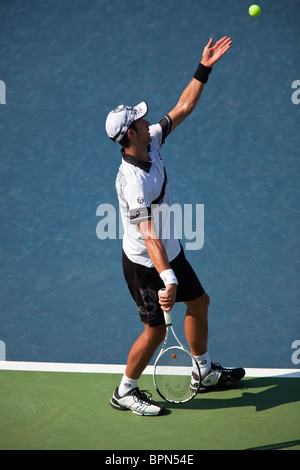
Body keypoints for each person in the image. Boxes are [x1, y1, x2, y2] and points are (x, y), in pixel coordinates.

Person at [105, 37, 245, 416]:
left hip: (170, 251)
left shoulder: (150, 139)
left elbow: (184, 106)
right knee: (156, 332)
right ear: (129, 134)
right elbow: (147, 233)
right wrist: (167, 278)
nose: (148, 119)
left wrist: (205, 67)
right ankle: (125, 392)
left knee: (199, 303)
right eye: (139, 119)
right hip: (144, 265)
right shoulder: (131, 181)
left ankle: (203, 371)